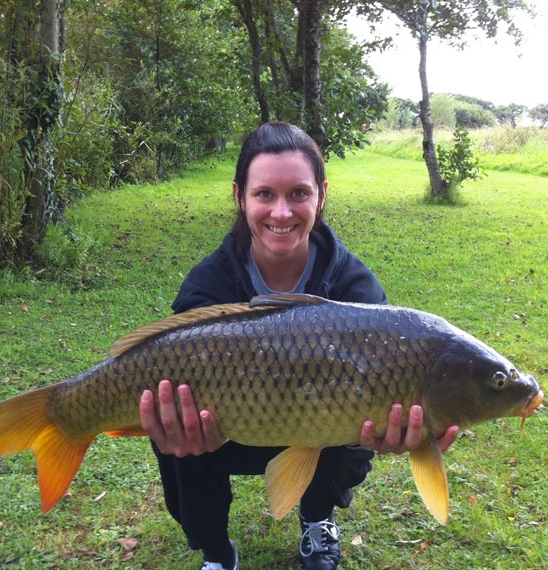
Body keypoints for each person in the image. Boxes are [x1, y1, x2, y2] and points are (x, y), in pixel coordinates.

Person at [139, 121, 459, 570]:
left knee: (352, 440)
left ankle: (315, 517)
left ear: (321, 196)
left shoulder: (355, 288)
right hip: (228, 430)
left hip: (321, 432)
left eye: (299, 194)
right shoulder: (208, 283)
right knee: (176, 428)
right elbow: (167, 359)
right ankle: (215, 548)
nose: (282, 212)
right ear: (240, 197)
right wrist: (175, 426)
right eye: (265, 194)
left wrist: (405, 432)